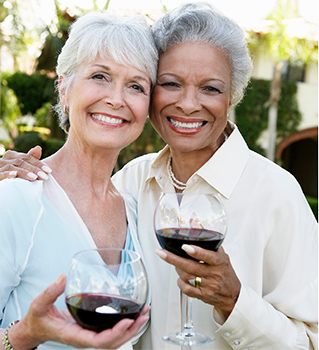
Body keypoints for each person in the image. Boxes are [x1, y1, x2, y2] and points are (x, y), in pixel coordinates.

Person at [0, 3, 317, 350]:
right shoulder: (132, 183)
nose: (188, 104)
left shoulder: (278, 195)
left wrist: (235, 302)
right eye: (170, 83)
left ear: (233, 97)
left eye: (210, 88)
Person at [0, 9, 158, 350]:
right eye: (100, 76)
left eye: (135, 85)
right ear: (64, 89)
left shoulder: (135, 208)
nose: (116, 99)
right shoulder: (16, 199)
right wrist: (27, 333)